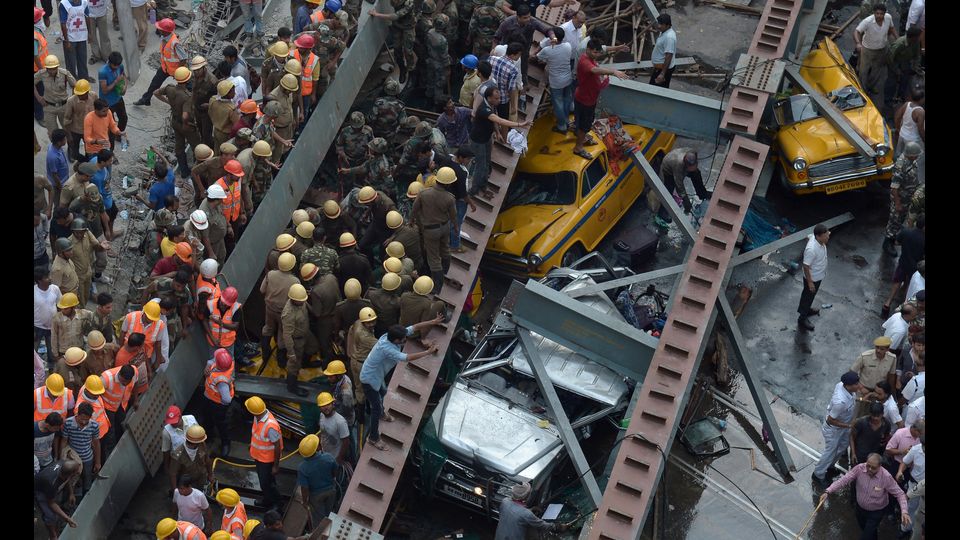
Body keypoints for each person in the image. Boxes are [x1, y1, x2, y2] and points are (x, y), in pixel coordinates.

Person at [359, 319, 444, 450]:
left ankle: (382, 413)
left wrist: (434, 321)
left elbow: (415, 326)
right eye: (404, 338)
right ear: (397, 340)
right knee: (375, 408)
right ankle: (373, 438)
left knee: (383, 392)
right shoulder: (386, 348)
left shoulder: (390, 336)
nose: (406, 338)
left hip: (377, 375)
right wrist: (428, 352)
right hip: (369, 380)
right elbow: (406, 358)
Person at [819, 453, 910, 538]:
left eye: (873, 467)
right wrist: (828, 491)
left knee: (866, 536)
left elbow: (900, 494)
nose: (869, 469)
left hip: (876, 512)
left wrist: (904, 511)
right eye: (868, 465)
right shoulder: (859, 468)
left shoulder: (886, 477)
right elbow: (844, 480)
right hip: (860, 509)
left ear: (879, 466)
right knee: (867, 531)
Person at [468, 86, 530, 196]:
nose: (499, 101)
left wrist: (497, 132)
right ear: (489, 98)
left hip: (486, 138)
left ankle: (483, 185)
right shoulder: (483, 109)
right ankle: (473, 190)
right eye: (496, 99)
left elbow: (494, 119)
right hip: (478, 141)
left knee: (487, 163)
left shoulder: (491, 105)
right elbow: (499, 120)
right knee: (480, 166)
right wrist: (520, 124)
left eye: (499, 98)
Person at [573, 40, 628, 160]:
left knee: (583, 123)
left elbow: (604, 50)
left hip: (586, 97)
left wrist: (618, 47)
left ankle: (582, 137)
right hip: (585, 100)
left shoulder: (590, 56)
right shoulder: (585, 62)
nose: (597, 55)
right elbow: (595, 70)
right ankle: (578, 147)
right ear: (588, 49)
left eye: (598, 53)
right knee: (584, 125)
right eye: (594, 52)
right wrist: (613, 72)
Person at [812, 371, 862, 487]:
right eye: (856, 384)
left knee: (842, 447)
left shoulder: (842, 385)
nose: (858, 385)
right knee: (830, 452)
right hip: (834, 429)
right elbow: (831, 420)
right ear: (848, 385)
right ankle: (818, 474)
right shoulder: (840, 401)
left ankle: (830, 467)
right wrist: (849, 426)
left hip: (844, 426)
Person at [413, 168, 459, 293]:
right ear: (448, 183)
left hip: (430, 230)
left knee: (433, 258)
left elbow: (415, 209)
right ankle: (444, 272)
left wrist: (412, 221)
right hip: (444, 227)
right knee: (445, 250)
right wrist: (455, 227)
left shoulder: (424, 194)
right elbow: (454, 215)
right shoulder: (450, 198)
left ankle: (437, 288)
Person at [134, 18, 188, 106]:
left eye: (160, 29)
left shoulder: (175, 43)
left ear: (165, 31)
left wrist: (179, 72)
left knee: (186, 87)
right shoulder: (164, 37)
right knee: (154, 84)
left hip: (175, 70)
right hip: (165, 68)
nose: (158, 29)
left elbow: (184, 58)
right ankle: (145, 99)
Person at [853, 3, 897, 106]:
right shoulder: (868, 21)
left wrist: (897, 37)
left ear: (884, 14)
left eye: (881, 13)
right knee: (863, 70)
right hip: (867, 50)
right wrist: (858, 44)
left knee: (876, 70)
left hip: (881, 49)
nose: (879, 16)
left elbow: (892, 28)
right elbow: (856, 32)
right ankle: (863, 90)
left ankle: (871, 86)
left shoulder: (888, 17)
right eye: (877, 13)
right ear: (874, 13)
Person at [494, 482, 569, 539]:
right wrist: (558, 527)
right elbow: (542, 525)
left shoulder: (505, 501)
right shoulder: (526, 514)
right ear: (525, 497)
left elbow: (515, 513)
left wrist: (531, 509)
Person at [245, 397, 283, 509]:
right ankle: (268, 500)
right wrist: (251, 444)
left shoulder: (271, 426)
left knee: (267, 483)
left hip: (266, 460)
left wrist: (276, 466)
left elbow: (277, 446)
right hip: (259, 456)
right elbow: (258, 433)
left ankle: (277, 503)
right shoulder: (258, 416)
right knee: (265, 482)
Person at [656, 148, 710, 223]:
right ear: (686, 166)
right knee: (669, 190)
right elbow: (680, 187)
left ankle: (702, 194)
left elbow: (693, 170)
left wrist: (693, 171)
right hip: (669, 170)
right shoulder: (678, 166)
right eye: (690, 169)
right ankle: (662, 213)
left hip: (682, 162)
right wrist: (686, 202)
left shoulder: (693, 153)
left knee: (696, 174)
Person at [537, 27, 574, 133]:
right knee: (567, 99)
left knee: (558, 103)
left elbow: (539, 58)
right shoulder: (568, 46)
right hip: (567, 78)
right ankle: (566, 120)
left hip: (556, 81)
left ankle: (562, 126)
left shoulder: (547, 50)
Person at [280, 284, 315, 397]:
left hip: (305, 333)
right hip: (296, 340)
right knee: (293, 364)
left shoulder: (301, 300)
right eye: (301, 301)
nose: (303, 302)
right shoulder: (288, 314)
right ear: (293, 300)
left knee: (314, 346)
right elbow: (287, 335)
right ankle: (292, 387)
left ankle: (305, 363)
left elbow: (307, 306)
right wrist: (291, 353)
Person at [296, 434, 338, 529]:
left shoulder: (302, 468)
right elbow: (335, 471)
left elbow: (305, 488)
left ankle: (320, 534)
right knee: (329, 510)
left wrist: (305, 502)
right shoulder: (328, 457)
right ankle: (330, 524)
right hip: (331, 490)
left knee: (319, 519)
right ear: (317, 448)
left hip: (316, 496)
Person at [34, 459, 81, 538]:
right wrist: (67, 519)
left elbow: (68, 479)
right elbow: (51, 503)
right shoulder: (52, 483)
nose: (79, 471)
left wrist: (71, 493)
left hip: (51, 489)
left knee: (57, 508)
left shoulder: (63, 464)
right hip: (40, 491)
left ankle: (58, 521)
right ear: (72, 473)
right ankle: (53, 536)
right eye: (77, 471)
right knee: (50, 515)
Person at [851, 336, 897, 416]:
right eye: (877, 347)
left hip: (879, 393)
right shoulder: (865, 356)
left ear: (887, 349)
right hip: (863, 391)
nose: (878, 350)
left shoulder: (892, 358)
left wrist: (891, 392)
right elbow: (852, 373)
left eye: (882, 349)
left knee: (873, 414)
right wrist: (860, 387)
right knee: (857, 413)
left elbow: (891, 376)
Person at [63, 402, 101, 498]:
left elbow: (96, 444)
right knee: (70, 480)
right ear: (77, 414)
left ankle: (86, 499)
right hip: (72, 459)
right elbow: (64, 441)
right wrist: (62, 458)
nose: (84, 422)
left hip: (87, 458)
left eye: (86, 420)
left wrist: (97, 462)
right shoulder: (68, 423)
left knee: (87, 481)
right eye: (82, 419)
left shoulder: (94, 426)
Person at [35, 55, 77, 139]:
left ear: (57, 67)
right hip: (48, 107)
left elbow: (75, 85)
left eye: (54, 68)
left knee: (68, 130)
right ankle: (56, 150)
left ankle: (70, 147)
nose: (51, 71)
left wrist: (72, 99)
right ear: (46, 68)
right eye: (49, 69)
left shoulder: (64, 73)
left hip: (64, 106)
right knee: (52, 133)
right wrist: (38, 97)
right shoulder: (42, 74)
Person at [797, 224, 830, 331]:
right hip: (812, 278)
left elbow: (808, 236)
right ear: (819, 236)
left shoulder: (815, 238)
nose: (828, 237)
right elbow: (806, 266)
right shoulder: (811, 250)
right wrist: (810, 282)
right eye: (826, 235)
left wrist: (808, 239)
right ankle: (802, 318)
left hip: (819, 275)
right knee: (808, 296)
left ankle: (807, 309)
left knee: (810, 296)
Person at [168, 424, 213, 494]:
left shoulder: (202, 445)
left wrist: (210, 474)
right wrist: (175, 493)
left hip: (201, 478)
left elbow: (207, 460)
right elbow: (173, 474)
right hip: (187, 484)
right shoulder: (177, 455)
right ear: (196, 442)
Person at [98, 52, 128, 148]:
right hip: (107, 102)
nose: (116, 67)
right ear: (109, 62)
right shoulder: (103, 72)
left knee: (124, 118)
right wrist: (116, 81)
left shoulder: (120, 66)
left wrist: (124, 87)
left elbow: (124, 77)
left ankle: (118, 135)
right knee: (111, 125)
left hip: (118, 98)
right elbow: (105, 90)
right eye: (114, 65)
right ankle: (110, 148)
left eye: (118, 65)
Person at [896, 433, 924, 537]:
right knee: (910, 508)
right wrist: (900, 471)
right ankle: (905, 529)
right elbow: (904, 462)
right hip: (914, 485)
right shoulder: (916, 449)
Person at [63, 80, 97, 162]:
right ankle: (77, 157)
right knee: (75, 152)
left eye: (82, 94)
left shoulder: (94, 96)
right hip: (75, 130)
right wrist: (69, 136)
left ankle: (85, 162)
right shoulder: (71, 101)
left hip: (89, 131)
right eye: (78, 94)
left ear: (87, 92)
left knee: (89, 151)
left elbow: (97, 110)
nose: (79, 96)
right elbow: (67, 119)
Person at [35, 268, 63, 365]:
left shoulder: (55, 289)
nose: (50, 279)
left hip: (52, 326)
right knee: (35, 350)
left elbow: (60, 306)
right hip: (37, 328)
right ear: (39, 280)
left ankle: (52, 369)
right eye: (46, 277)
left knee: (53, 351)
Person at [849, 402, 891, 466]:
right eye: (873, 415)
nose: (875, 418)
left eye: (878, 416)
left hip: (873, 457)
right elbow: (852, 437)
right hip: (859, 455)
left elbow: (885, 438)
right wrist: (853, 454)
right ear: (870, 414)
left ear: (882, 414)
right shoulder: (861, 422)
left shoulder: (886, 424)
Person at [58, 0, 90, 81]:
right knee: (71, 62)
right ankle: (72, 80)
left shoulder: (84, 2)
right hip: (70, 37)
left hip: (81, 36)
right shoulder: (64, 4)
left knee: (82, 58)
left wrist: (89, 33)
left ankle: (84, 78)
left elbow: (87, 17)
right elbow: (63, 23)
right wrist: (66, 40)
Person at [316, 392, 350, 465]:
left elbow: (346, 442)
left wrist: (339, 458)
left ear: (333, 404)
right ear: (319, 408)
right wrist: (319, 446)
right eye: (323, 406)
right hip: (324, 453)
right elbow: (322, 431)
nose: (326, 407)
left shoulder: (340, 422)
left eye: (328, 404)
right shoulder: (321, 415)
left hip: (334, 457)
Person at [162, 405, 198, 474]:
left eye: (175, 421)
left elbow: (200, 435)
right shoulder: (166, 432)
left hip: (195, 454)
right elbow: (166, 451)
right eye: (171, 422)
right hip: (181, 462)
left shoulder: (191, 419)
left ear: (180, 416)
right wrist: (166, 467)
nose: (173, 424)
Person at [650, 14, 678, 88]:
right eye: (658, 23)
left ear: (668, 25)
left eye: (661, 24)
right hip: (659, 67)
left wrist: (662, 74)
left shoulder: (669, 38)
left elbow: (668, 56)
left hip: (662, 69)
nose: (658, 26)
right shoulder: (663, 31)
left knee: (655, 90)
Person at [46, 130, 70, 209]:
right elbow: (54, 174)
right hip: (58, 184)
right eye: (64, 139)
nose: (66, 140)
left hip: (63, 179)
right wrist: (60, 186)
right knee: (59, 203)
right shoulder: (53, 157)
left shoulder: (56, 147)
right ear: (59, 142)